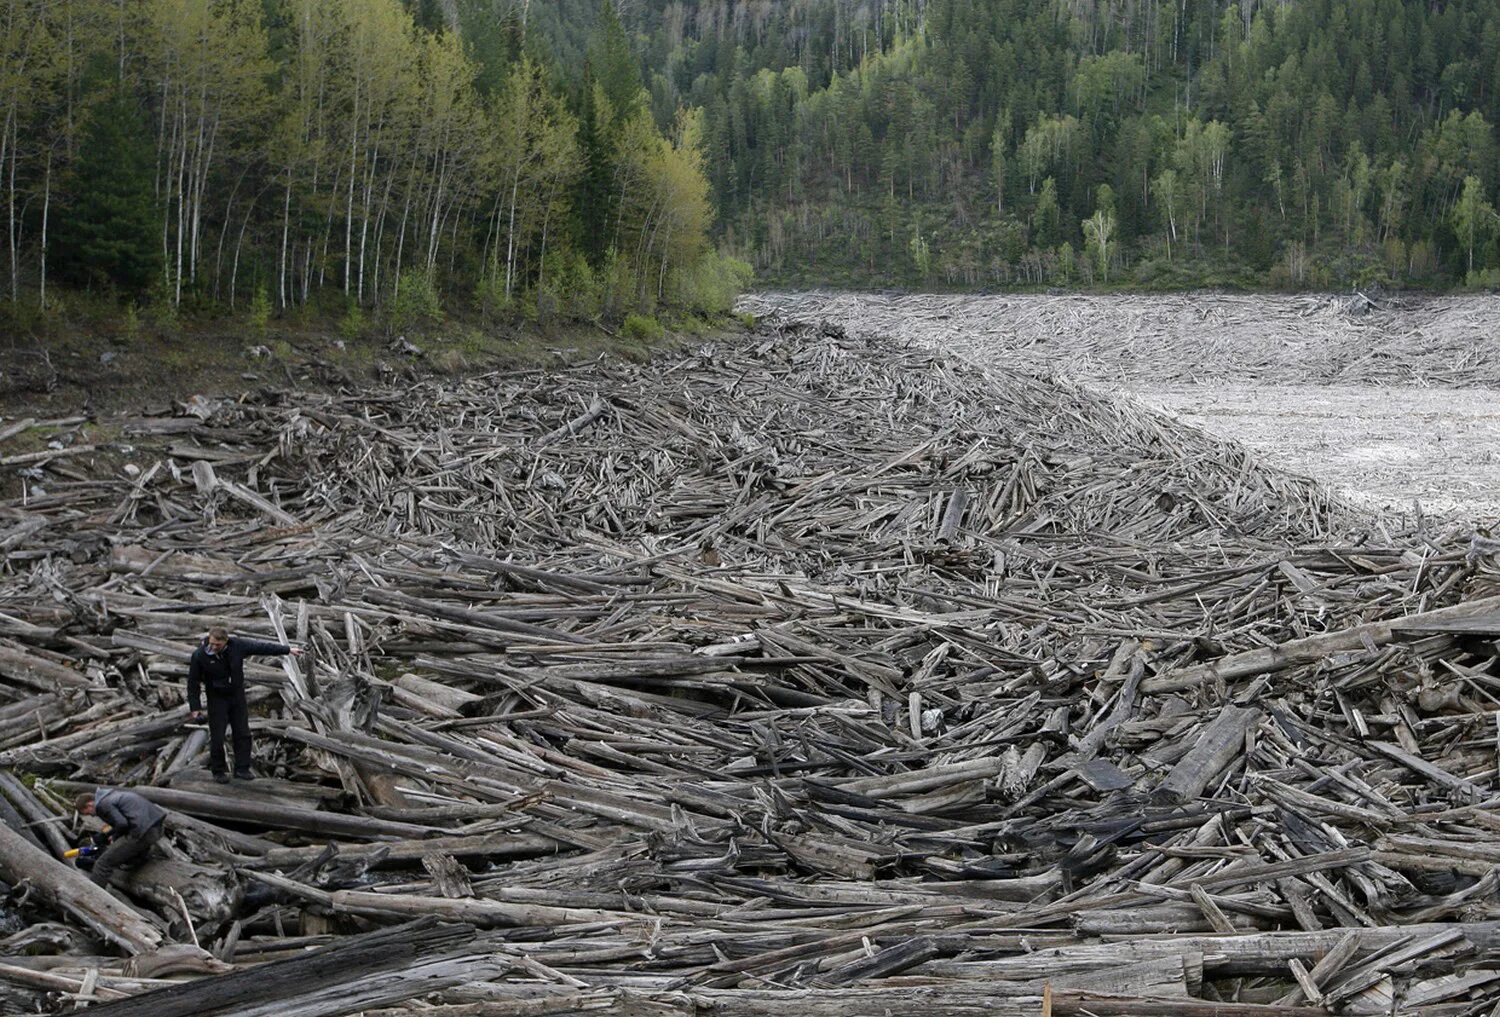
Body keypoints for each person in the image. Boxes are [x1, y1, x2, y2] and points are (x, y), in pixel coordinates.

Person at [187, 626, 303, 783]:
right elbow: (193, 683)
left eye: (217, 645)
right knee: (218, 736)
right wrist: (195, 708)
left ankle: (242, 768)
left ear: (226, 642)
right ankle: (218, 770)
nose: (213, 647)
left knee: (242, 733)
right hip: (216, 698)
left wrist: (287, 650)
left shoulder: (238, 646)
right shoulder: (200, 655)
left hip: (236, 696)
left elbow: (261, 647)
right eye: (212, 644)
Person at [74, 788, 167, 887]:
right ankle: (138, 859)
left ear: (89, 804)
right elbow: (125, 821)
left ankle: (93, 897)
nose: (92, 816)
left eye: (88, 813)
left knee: (101, 864)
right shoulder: (113, 795)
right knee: (122, 854)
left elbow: (122, 824)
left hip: (142, 833)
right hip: (157, 828)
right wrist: (111, 834)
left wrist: (111, 836)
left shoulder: (103, 804)